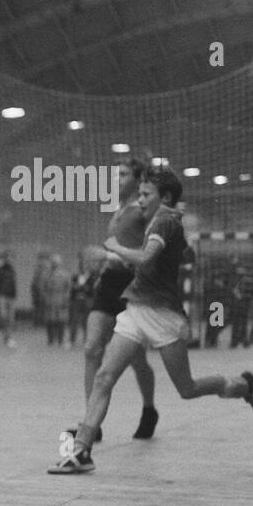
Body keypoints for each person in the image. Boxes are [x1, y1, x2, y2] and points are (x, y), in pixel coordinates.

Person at [50, 167, 253, 474]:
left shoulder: (165, 220)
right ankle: (81, 451)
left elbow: (146, 258)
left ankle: (246, 385)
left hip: (163, 316)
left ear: (166, 198)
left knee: (187, 389)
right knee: (104, 377)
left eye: (146, 194)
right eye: (139, 193)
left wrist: (114, 249)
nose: (140, 200)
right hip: (135, 309)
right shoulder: (154, 221)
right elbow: (164, 258)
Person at [81, 156, 159, 441]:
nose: (117, 179)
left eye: (123, 174)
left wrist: (109, 255)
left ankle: (150, 409)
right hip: (108, 285)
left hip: (133, 288)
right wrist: (101, 264)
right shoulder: (115, 210)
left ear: (137, 180)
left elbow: (145, 256)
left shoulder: (142, 211)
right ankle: (92, 422)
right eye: (115, 174)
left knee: (138, 360)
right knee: (91, 348)